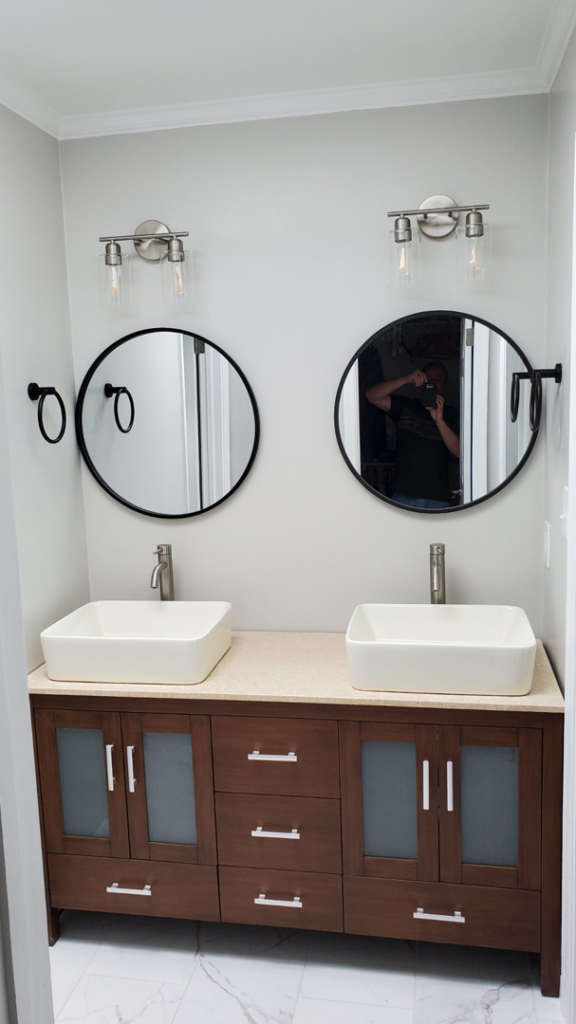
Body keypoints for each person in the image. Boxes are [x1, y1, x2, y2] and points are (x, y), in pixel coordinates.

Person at [365, 362, 460, 509]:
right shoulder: (406, 406)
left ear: (444, 384)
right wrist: (405, 379)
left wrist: (440, 422)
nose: (433, 382)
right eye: (429, 378)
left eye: (438, 379)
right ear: (421, 381)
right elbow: (372, 396)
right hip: (403, 495)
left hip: (436, 498)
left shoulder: (452, 414)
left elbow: (459, 451)